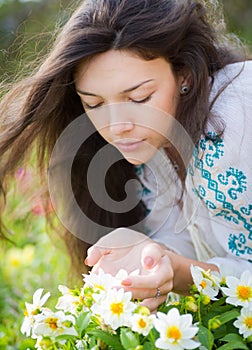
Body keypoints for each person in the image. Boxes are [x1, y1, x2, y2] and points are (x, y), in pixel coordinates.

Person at [0, 0, 251, 312]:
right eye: (94, 104)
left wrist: (179, 270)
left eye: (138, 98)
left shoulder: (242, 111)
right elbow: (192, 242)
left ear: (184, 75)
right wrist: (151, 256)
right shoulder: (155, 147)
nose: (117, 127)